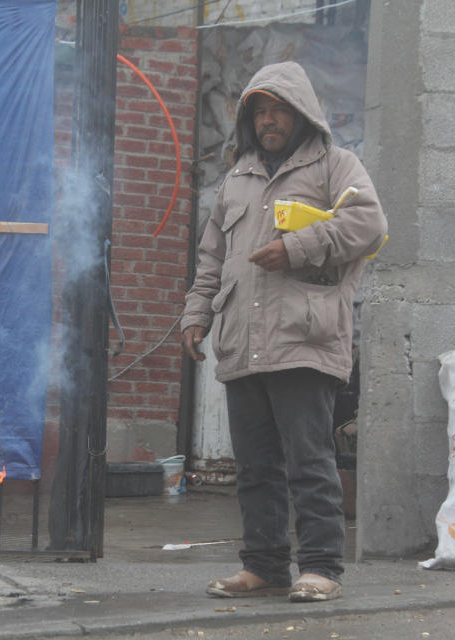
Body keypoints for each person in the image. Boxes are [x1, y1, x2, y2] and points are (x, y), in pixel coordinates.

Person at [181, 62, 387, 603]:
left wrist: (296, 247)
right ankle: (265, 565)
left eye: (280, 110)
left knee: (309, 461)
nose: (270, 121)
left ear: (302, 114)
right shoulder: (236, 179)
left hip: (306, 340)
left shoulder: (334, 167)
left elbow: (369, 225)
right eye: (261, 112)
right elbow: (211, 258)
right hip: (243, 342)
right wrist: (196, 314)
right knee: (255, 466)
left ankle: (321, 567)